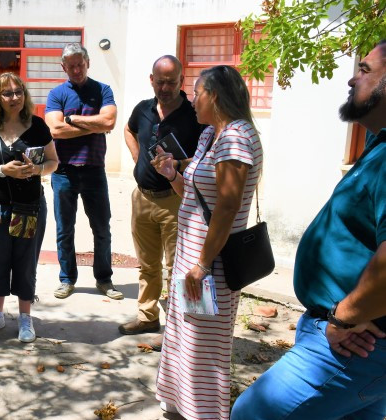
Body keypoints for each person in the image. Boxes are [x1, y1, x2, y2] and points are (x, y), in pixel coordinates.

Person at [231, 40, 386, 420]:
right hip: (345, 334)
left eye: (364, 70)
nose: (352, 79)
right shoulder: (378, 140)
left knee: (252, 414)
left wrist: (343, 316)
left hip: (355, 343)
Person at [151, 65, 264, 419]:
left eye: (196, 92)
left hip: (211, 264)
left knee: (203, 346)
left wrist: (201, 265)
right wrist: (172, 176)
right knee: (184, 335)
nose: (192, 99)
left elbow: (228, 207)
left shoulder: (235, 138)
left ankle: (204, 413)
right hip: (194, 257)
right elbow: (198, 199)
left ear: (213, 96)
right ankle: (181, 404)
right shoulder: (210, 136)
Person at [0, 73, 59, 342]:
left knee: (25, 260)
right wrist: (1, 170)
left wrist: (38, 169)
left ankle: (25, 318)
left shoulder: (38, 126)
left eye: (18, 91)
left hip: (28, 207)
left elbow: (54, 161)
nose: (14, 98)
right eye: (7, 93)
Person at [120, 55, 204, 337]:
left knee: (179, 267)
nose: (165, 87)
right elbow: (129, 130)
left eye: (171, 82)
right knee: (147, 265)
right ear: (151, 80)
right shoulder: (143, 109)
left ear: (182, 81)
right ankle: (147, 317)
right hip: (142, 197)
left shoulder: (195, 115)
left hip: (177, 199)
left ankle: (184, 332)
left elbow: (206, 156)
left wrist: (179, 165)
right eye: (160, 81)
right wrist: (137, 157)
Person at [44, 43, 122, 300]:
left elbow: (109, 121)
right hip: (64, 171)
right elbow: (55, 131)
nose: (76, 69)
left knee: (101, 227)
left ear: (88, 63)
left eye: (81, 64)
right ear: (63, 67)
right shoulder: (56, 94)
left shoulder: (103, 90)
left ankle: (104, 279)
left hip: (94, 170)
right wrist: (95, 126)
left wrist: (73, 119)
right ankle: (67, 279)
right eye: (71, 66)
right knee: (65, 229)